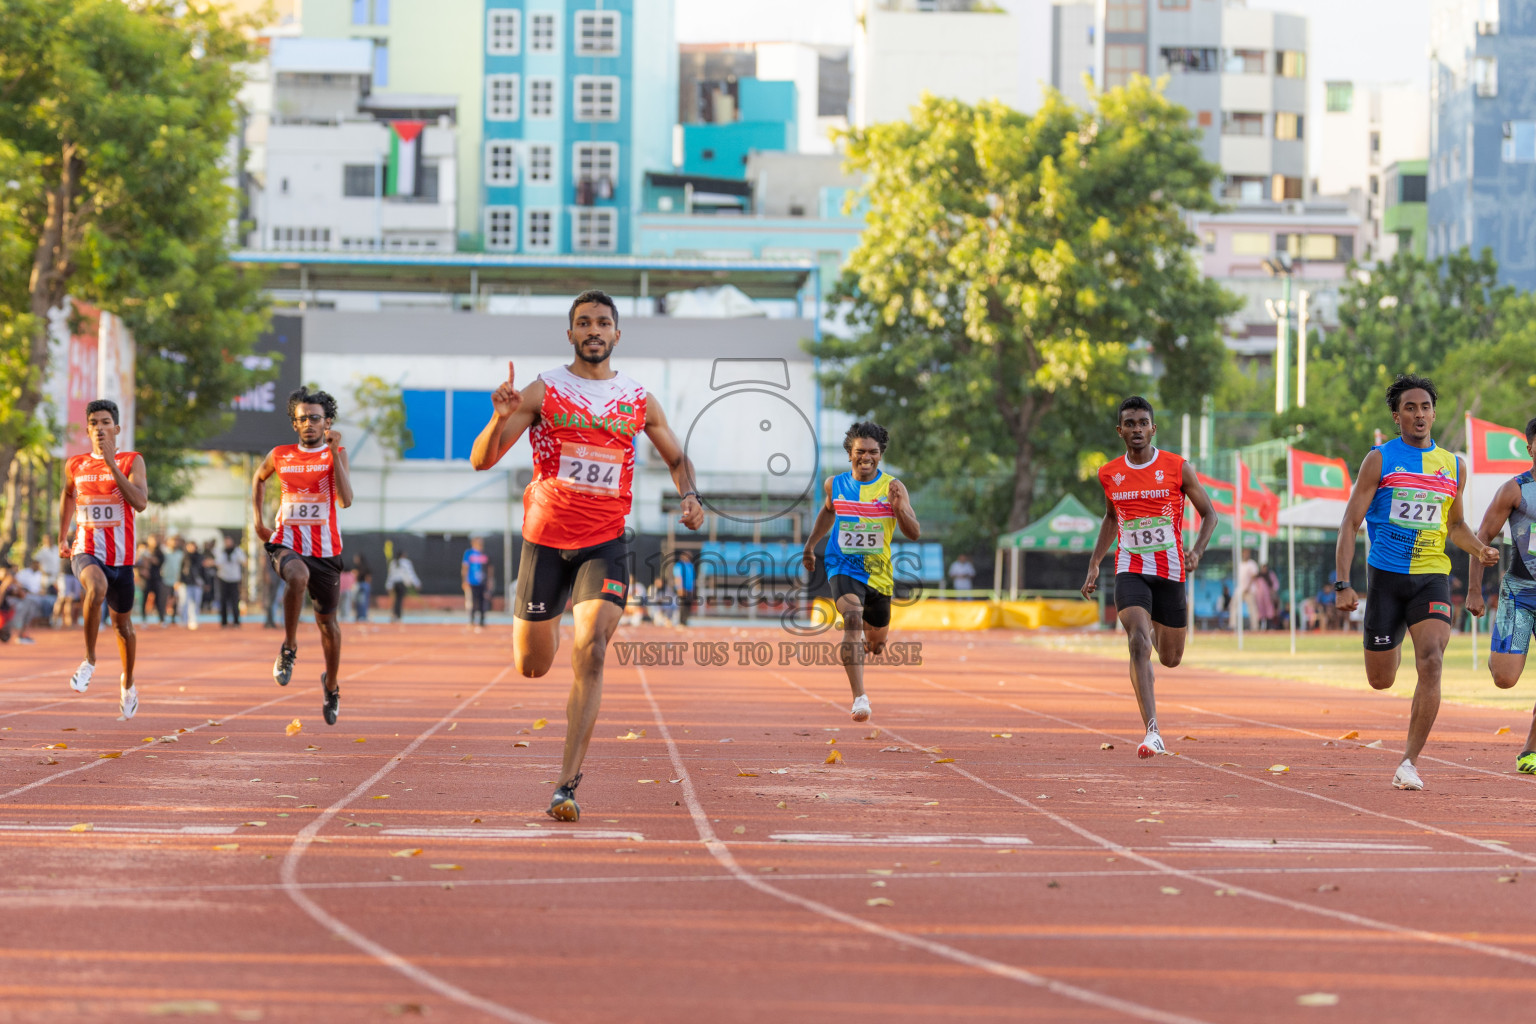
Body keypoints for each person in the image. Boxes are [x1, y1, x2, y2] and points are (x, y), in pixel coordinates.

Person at [468, 289, 704, 822]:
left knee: (592, 649)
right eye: (583, 323)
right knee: (532, 665)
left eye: (603, 322)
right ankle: (543, 623)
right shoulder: (544, 389)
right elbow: (482, 460)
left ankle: (565, 785)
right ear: (570, 333)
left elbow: (677, 456)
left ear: (617, 334)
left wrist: (690, 495)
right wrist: (499, 417)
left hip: (605, 539)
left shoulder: (639, 399)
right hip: (546, 539)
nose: (593, 330)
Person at [1335, 374, 1497, 791]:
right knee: (1381, 679)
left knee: (1433, 660)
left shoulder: (1453, 465)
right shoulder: (1380, 459)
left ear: (1433, 413)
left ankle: (1408, 761)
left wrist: (1479, 549)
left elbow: (1456, 525)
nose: (1419, 414)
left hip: (1432, 578)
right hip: (1387, 579)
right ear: (1397, 416)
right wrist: (1342, 583)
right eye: (1410, 408)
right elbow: (1351, 522)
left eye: (1425, 407)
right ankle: (1391, 639)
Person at [1082, 396, 1219, 758]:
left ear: (1153, 428)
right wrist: (1095, 562)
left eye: (1143, 423)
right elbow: (1112, 519)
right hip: (1131, 569)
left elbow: (1210, 515)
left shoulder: (1177, 467)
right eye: (1130, 423)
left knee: (1170, 658)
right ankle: (1152, 731)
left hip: (1171, 571)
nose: (1137, 429)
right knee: (1138, 643)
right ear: (1120, 431)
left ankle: (1156, 634)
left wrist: (1197, 552)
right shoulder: (1109, 474)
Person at [801, 421, 923, 725]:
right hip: (842, 564)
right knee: (852, 619)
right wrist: (810, 544)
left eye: (872, 452)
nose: (866, 457)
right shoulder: (835, 484)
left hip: (879, 573)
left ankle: (867, 646)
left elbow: (914, 533)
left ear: (880, 455)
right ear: (849, 453)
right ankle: (859, 696)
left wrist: (899, 508)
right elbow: (829, 510)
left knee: (877, 643)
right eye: (860, 451)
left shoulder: (894, 487)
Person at [252, 386, 353, 726]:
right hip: (286, 542)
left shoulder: (334, 455)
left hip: (325, 552)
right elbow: (259, 478)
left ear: (328, 422)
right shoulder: (280, 454)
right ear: (294, 424)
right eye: (302, 419)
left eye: (315, 418)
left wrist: (336, 453)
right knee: (296, 576)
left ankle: (332, 685)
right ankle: (289, 648)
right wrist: (257, 521)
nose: (309, 424)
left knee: (329, 627)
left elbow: (345, 500)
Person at [57, 398, 147, 718]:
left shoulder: (132, 461)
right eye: (94, 423)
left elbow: (140, 502)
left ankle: (128, 683)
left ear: (117, 428)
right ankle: (89, 661)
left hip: (121, 559)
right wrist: (62, 535)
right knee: (94, 589)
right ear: (87, 429)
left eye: (105, 422)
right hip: (86, 549)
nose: (99, 429)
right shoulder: (75, 464)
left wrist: (111, 466)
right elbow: (68, 494)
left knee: (123, 627)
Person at [1466, 415, 1536, 774]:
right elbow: (1482, 538)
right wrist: (1475, 591)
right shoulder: (1515, 490)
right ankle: (1502, 654)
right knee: (1504, 678)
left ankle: (1530, 749)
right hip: (1519, 594)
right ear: (1531, 447)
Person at [462, 537, 491, 629]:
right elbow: (465, 568)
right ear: (473, 543)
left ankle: (482, 621)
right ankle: (471, 621)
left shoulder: (485, 554)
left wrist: (489, 581)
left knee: (483, 602)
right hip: (472, 582)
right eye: (478, 543)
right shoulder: (469, 554)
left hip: (483, 582)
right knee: (472, 602)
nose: (480, 545)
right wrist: (464, 580)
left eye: (481, 543)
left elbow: (490, 568)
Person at [215, 534, 244, 627]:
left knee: (235, 601)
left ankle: (236, 621)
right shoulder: (221, 551)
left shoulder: (237, 551)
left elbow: (244, 561)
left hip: (234, 579)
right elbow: (217, 562)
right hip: (223, 578)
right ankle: (224, 622)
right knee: (223, 600)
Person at [176, 538, 204, 630]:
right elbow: (180, 570)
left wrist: (204, 581)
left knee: (195, 602)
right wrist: (179, 581)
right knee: (184, 602)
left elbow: (202, 570)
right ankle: (183, 620)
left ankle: (193, 620)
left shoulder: (200, 557)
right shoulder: (184, 556)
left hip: (196, 583)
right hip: (185, 582)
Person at [386, 549, 420, 622]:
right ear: (402, 555)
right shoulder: (406, 562)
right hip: (401, 584)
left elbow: (390, 575)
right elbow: (411, 573)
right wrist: (417, 583)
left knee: (396, 600)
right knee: (399, 600)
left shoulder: (393, 563)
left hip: (395, 584)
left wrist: (388, 585)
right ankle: (397, 616)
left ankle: (394, 614)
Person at [160, 536, 184, 627]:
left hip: (176, 581)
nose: (175, 543)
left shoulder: (181, 554)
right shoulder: (164, 552)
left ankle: (173, 618)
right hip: (165, 579)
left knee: (176, 600)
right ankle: (163, 619)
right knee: (164, 600)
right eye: (173, 541)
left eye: (176, 541)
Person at [672, 550, 696, 626]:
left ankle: (685, 621)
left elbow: (692, 579)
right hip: (683, 588)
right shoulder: (679, 565)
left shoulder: (690, 566)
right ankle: (681, 622)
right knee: (682, 605)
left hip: (689, 589)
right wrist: (680, 588)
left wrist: (692, 589)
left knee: (688, 605)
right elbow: (678, 577)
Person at [352, 553, 372, 623]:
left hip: (361, 584)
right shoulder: (365, 566)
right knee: (363, 601)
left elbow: (357, 576)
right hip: (364, 585)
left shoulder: (359, 567)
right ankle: (362, 616)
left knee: (360, 601)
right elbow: (368, 577)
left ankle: (360, 616)